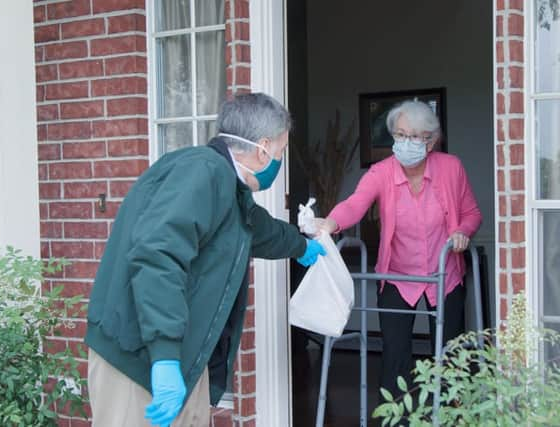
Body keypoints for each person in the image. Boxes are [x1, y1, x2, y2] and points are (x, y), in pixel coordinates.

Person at [85, 92, 326, 427]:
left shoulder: (228, 187)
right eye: (281, 152)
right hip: (139, 357)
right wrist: (165, 357)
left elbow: (259, 229)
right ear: (263, 148)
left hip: (178, 354)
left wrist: (301, 246)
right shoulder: (202, 172)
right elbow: (158, 255)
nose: (279, 160)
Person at [315, 100, 482, 400]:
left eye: (414, 136)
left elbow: (472, 213)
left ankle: (450, 416)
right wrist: (330, 223)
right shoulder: (382, 172)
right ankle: (397, 419)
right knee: (394, 356)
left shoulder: (450, 168)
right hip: (397, 274)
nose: (406, 142)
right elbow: (356, 203)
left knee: (450, 354)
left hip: (444, 275)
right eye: (400, 135)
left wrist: (461, 231)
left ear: (430, 141)